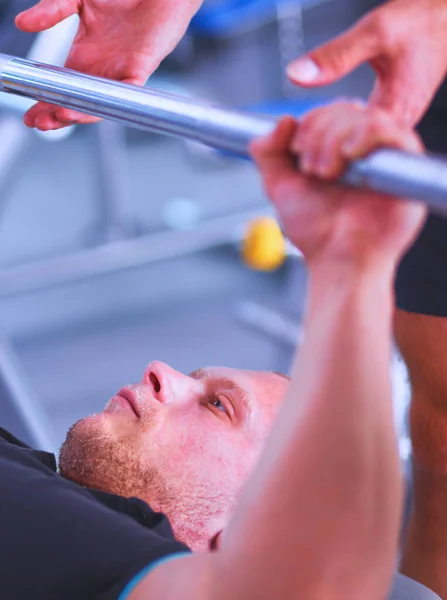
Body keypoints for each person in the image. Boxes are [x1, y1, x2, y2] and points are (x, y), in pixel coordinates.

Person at [1, 101, 427, 600]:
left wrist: (353, 264)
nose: (161, 371)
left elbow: (315, 582)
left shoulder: (81, 547)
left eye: (217, 405)